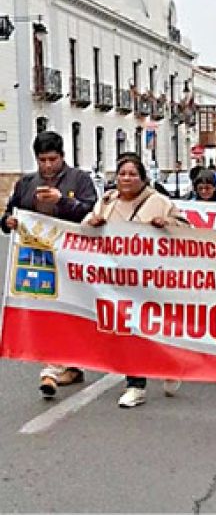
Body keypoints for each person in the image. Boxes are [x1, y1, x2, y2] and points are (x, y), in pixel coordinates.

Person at [84, 153, 187, 408]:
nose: (126, 179)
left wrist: (167, 223)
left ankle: (169, 364)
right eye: (122, 174)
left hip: (153, 280)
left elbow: (187, 229)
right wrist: (92, 223)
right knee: (128, 331)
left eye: (132, 174)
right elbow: (82, 231)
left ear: (142, 178)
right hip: (117, 279)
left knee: (155, 328)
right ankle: (135, 384)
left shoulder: (159, 201)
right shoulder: (106, 202)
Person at [1, 131, 98, 399]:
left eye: (52, 159)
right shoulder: (26, 183)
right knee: (45, 311)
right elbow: (12, 211)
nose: (47, 165)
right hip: (36, 258)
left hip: (72, 259)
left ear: (62, 157)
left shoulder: (80, 179)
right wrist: (8, 221)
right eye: (42, 160)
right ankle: (59, 363)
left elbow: (91, 214)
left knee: (70, 310)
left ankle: (60, 367)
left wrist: (62, 201)